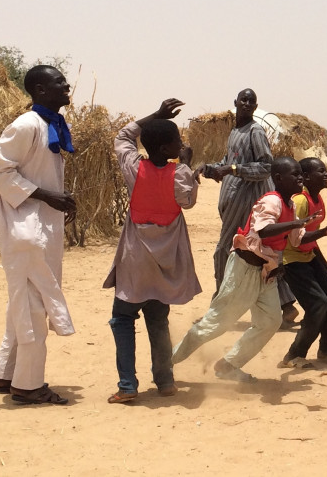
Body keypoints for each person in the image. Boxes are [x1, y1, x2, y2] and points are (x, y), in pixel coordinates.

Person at [0, 65, 77, 405]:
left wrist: (56, 200)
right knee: (34, 305)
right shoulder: (26, 126)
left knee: (23, 302)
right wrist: (46, 196)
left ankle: (4, 373)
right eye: (59, 82)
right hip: (25, 228)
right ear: (40, 90)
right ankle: (28, 385)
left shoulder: (48, 124)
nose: (67, 86)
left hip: (41, 225)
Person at [171, 157, 305, 383]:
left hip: (265, 273)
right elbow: (263, 231)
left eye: (301, 173)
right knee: (215, 324)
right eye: (295, 174)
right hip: (245, 269)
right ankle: (166, 362)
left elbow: (297, 239)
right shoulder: (272, 201)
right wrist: (295, 224)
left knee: (270, 321)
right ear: (279, 179)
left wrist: (326, 231)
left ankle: (228, 365)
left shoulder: (290, 205)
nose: (300, 178)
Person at [104, 98, 201, 404]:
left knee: (123, 319)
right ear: (165, 149)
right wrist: (184, 164)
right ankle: (166, 380)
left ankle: (128, 386)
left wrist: (155, 116)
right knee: (158, 319)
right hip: (166, 260)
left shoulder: (134, 168)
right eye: (177, 141)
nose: (181, 144)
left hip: (135, 258)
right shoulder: (180, 174)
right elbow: (187, 202)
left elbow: (122, 136)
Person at [198, 89, 275, 302]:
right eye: (244, 100)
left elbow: (266, 167)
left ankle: (221, 298)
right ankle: (284, 305)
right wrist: (209, 168)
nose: (247, 104)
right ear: (236, 103)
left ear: (256, 107)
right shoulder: (236, 131)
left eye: (252, 101)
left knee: (225, 248)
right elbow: (228, 161)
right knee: (256, 251)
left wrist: (233, 170)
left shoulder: (255, 132)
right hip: (234, 200)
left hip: (248, 200)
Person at [277, 158, 327, 369]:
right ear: (307, 177)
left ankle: (325, 349)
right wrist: (326, 231)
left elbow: (312, 238)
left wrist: (326, 266)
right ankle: (294, 354)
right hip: (292, 261)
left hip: (308, 257)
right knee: (318, 304)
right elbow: (295, 238)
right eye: (321, 171)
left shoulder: (317, 200)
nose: (326, 174)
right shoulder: (301, 201)